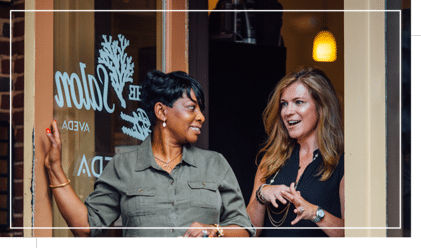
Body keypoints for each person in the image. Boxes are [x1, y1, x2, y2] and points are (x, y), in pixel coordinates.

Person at [45, 70, 255, 237]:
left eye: (201, 110)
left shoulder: (215, 164)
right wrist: (55, 168)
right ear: (161, 111)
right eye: (192, 108)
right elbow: (86, 227)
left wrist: (214, 230)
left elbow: (244, 230)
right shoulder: (124, 166)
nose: (201, 117)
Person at [246, 67, 344, 237]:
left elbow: (354, 234)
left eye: (299, 102)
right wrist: (262, 195)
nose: (288, 111)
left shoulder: (342, 162)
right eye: (284, 104)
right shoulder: (272, 158)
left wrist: (315, 213)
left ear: (321, 107)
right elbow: (249, 232)